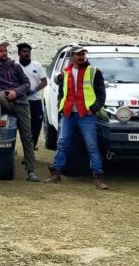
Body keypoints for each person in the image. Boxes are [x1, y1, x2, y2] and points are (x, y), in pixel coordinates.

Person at [45, 45, 108, 190]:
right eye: (78, 54)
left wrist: (93, 109)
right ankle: (56, 173)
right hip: (68, 114)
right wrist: (61, 108)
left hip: (86, 115)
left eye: (83, 54)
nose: (81, 57)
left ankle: (98, 176)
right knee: (61, 143)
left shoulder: (93, 72)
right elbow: (62, 93)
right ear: (72, 56)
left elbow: (101, 94)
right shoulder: (65, 73)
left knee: (92, 145)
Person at [0, 40, 40, 182]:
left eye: (5, 51)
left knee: (27, 136)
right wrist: (0, 92)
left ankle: (30, 171)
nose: (4, 53)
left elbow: (26, 83)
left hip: (20, 102)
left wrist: (16, 92)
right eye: (1, 51)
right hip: (4, 100)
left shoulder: (16, 67)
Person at [17, 42, 48, 149]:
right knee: (23, 127)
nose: (27, 54)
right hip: (20, 101)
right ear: (19, 53)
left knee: (37, 125)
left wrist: (34, 90)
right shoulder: (15, 66)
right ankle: (26, 150)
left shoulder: (37, 65)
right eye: (24, 52)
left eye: (28, 52)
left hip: (35, 101)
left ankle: (32, 147)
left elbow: (44, 82)